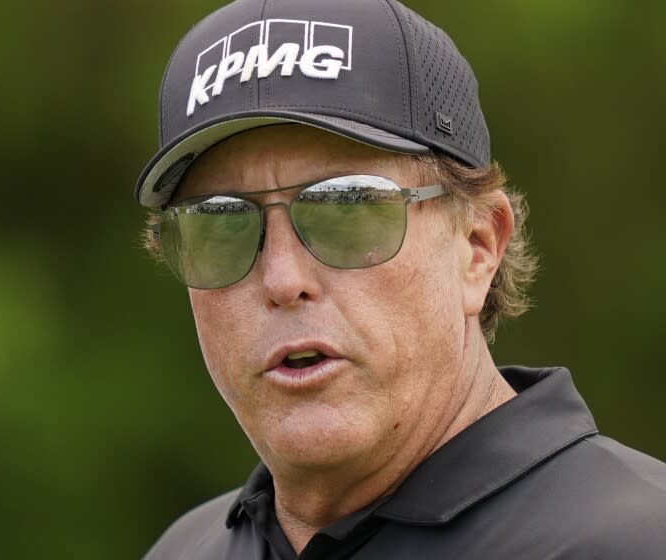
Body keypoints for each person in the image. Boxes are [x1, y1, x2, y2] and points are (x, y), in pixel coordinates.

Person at [134, 0, 666, 558]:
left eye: (346, 207)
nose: (283, 279)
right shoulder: (184, 549)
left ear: (478, 246)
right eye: (222, 222)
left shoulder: (632, 540)